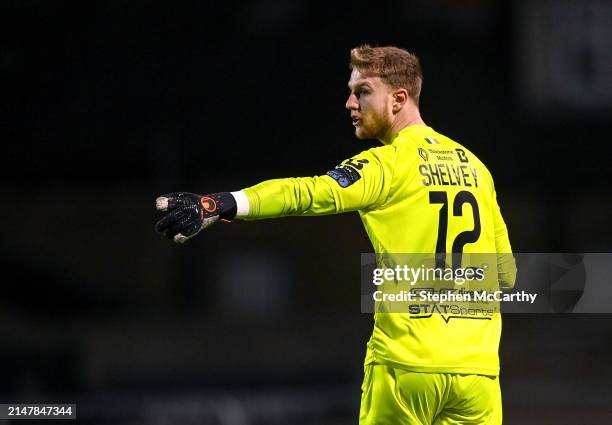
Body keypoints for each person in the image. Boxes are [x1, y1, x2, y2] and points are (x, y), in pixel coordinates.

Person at [154, 45, 516, 425]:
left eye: (362, 91)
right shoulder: (476, 168)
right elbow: (505, 274)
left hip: (406, 369)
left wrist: (220, 203)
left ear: (398, 99)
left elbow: (305, 194)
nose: (349, 102)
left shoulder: (387, 165)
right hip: (478, 376)